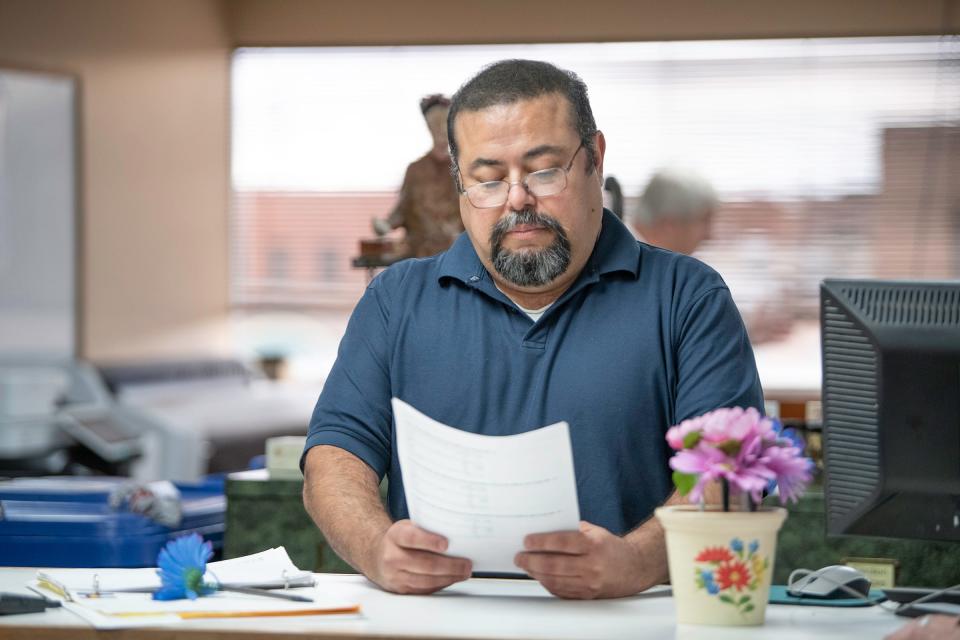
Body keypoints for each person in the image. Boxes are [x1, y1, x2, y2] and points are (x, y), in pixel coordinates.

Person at [302, 59, 762, 600]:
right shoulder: (395, 300)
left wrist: (635, 561)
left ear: (595, 158)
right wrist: (376, 547)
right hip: (438, 623)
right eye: (488, 178)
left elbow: (733, 472)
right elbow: (334, 457)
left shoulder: (688, 298)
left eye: (544, 171)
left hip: (625, 622)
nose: (517, 199)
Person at [630, 168, 792, 345]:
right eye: (704, 221)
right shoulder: (630, 267)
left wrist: (747, 329)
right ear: (669, 225)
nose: (709, 236)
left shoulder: (656, 269)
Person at [372, 94, 463, 258]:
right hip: (421, 253)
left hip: (456, 252)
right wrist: (386, 225)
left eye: (444, 123)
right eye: (435, 124)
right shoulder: (415, 170)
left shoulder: (463, 168)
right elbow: (403, 208)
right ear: (429, 127)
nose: (440, 129)